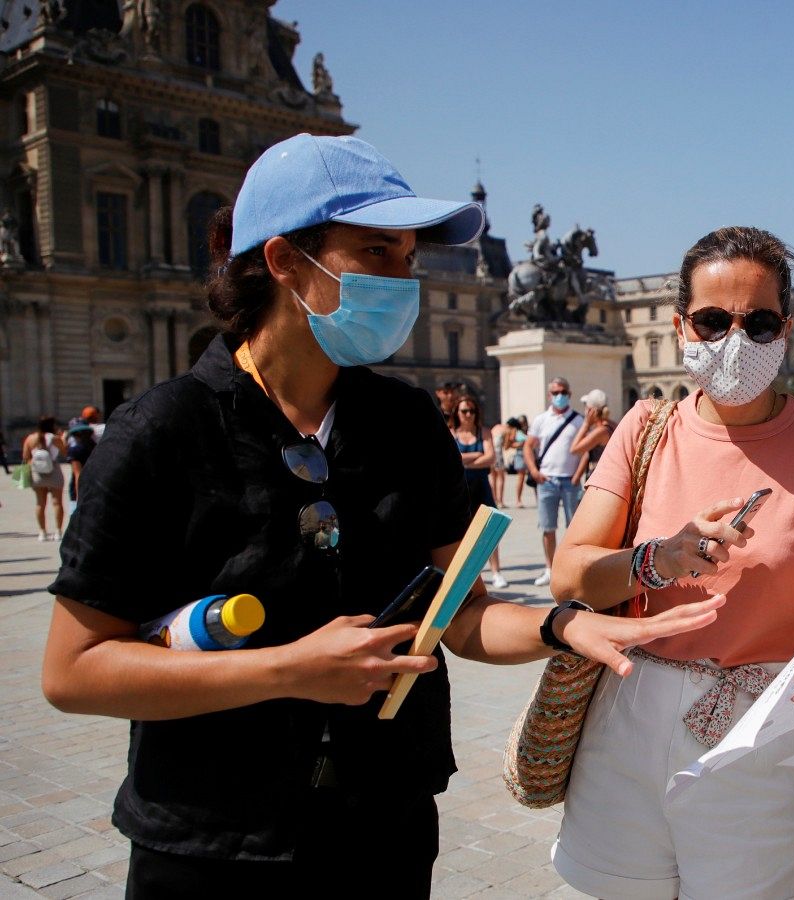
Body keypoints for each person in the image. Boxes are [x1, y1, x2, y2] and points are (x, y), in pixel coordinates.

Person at [38, 133, 722, 899]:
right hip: (217, 840)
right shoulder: (163, 432)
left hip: (383, 825)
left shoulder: (405, 423)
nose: (406, 280)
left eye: (408, 257)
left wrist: (559, 626)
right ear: (285, 261)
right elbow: (74, 670)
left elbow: (460, 616)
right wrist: (284, 672)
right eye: (376, 253)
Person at [549, 226, 794, 899]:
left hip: (759, 718)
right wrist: (658, 559)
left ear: (785, 331)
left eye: (758, 322)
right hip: (631, 702)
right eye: (712, 320)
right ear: (682, 325)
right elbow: (571, 573)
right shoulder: (644, 428)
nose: (734, 341)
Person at [524, 377, 583, 587]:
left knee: (574, 529)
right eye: (556, 392)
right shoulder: (541, 419)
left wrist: (578, 474)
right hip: (547, 479)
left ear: (569, 394)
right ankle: (549, 568)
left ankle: (571, 569)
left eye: (563, 392)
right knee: (548, 527)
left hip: (570, 480)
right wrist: (533, 470)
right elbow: (528, 446)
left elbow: (584, 450)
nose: (560, 396)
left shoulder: (578, 420)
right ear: (549, 395)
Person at [450, 394, 508, 589]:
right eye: (464, 411)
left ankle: (496, 571)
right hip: (459, 489)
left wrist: (464, 460)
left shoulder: (483, 431)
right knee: (461, 531)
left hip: (481, 486)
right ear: (457, 413)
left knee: (489, 529)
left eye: (472, 411)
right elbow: (451, 459)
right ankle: (468, 575)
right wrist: (476, 455)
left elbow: (490, 458)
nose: (469, 415)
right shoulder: (451, 433)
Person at [24, 415, 66, 541]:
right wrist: (63, 438)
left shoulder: (30, 438)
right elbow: (65, 452)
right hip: (53, 470)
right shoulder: (54, 438)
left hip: (37, 472)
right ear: (52, 425)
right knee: (57, 502)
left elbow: (25, 456)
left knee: (40, 504)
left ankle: (42, 532)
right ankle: (58, 531)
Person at [568, 388, 613, 485]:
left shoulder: (601, 431)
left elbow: (574, 449)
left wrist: (586, 424)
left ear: (591, 411)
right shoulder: (611, 425)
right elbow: (588, 453)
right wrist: (578, 475)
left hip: (600, 480)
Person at [499, 417, 528, 506]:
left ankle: (518, 500)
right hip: (520, 454)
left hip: (526, 454)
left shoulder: (524, 431)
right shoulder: (514, 431)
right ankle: (518, 500)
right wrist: (520, 444)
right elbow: (508, 445)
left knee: (525, 478)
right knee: (521, 478)